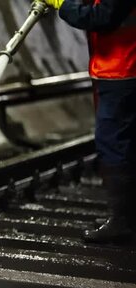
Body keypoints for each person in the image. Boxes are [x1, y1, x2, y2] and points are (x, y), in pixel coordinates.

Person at [44, 0, 136, 243]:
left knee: (113, 144)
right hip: (120, 69)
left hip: (123, 69)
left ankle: (122, 222)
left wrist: (61, 4)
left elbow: (102, 17)